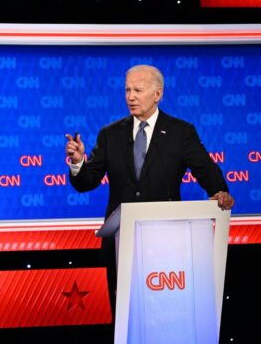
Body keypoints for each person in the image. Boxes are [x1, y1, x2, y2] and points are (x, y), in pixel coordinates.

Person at [64, 64, 234, 314]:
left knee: (166, 313)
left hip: (166, 243)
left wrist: (219, 191)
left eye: (138, 90)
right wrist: (79, 162)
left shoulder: (181, 132)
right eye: (127, 90)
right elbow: (86, 182)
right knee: (124, 315)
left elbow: (205, 169)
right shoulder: (110, 134)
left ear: (158, 94)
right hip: (122, 244)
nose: (130, 97)